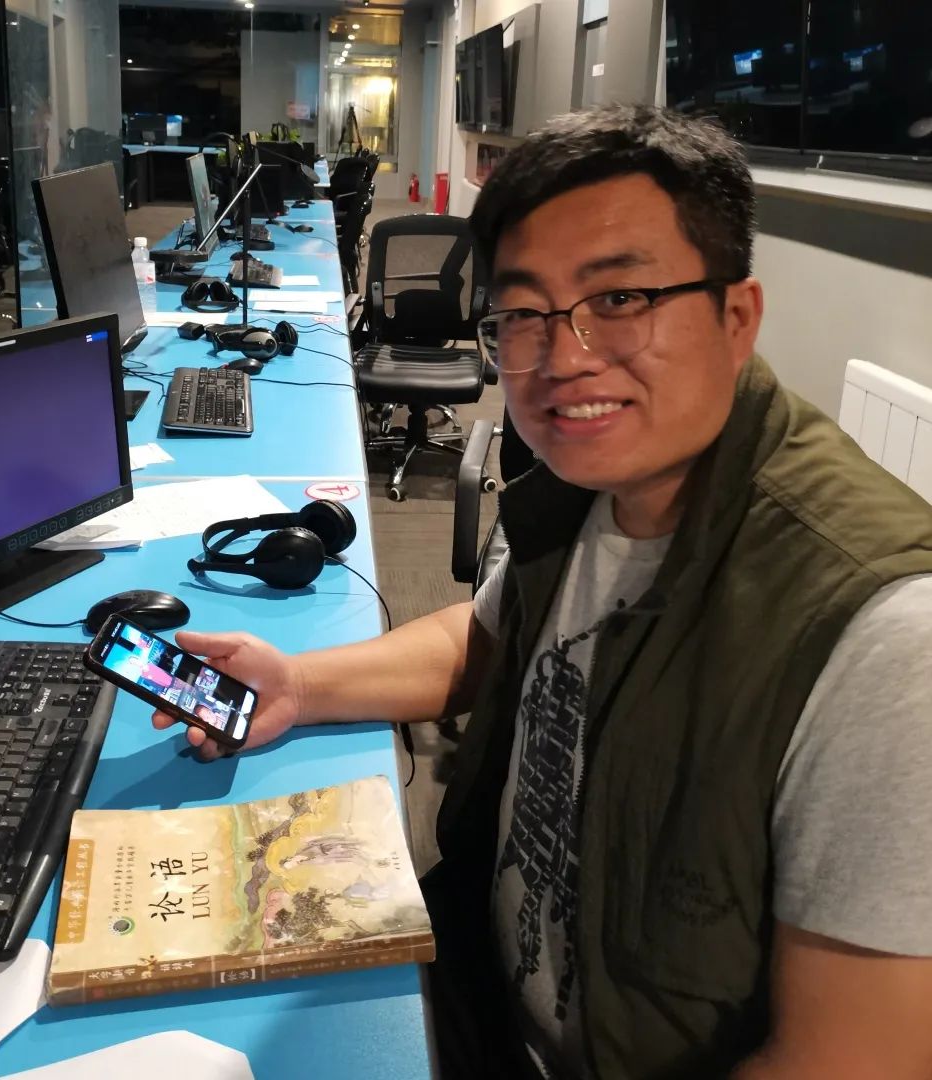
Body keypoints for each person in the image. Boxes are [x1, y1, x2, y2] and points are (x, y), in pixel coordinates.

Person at [151, 105, 932, 1078]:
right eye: (524, 313)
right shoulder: (594, 481)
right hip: (475, 980)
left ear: (736, 319)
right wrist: (301, 685)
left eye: (622, 299)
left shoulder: (886, 640)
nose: (565, 358)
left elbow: (856, 1058)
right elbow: (488, 639)